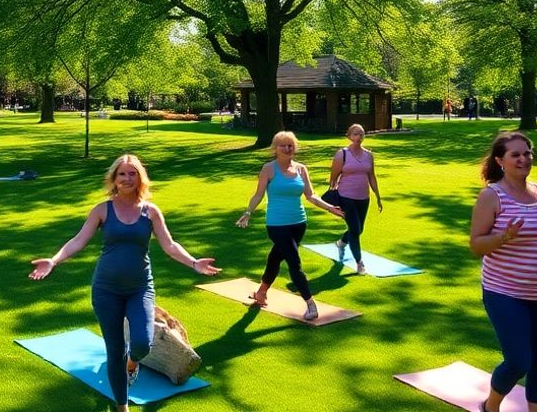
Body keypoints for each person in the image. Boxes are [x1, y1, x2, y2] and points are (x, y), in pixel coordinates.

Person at [30, 154, 220, 412]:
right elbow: (78, 240)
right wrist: (53, 260)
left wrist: (194, 262)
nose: (127, 178)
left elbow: (170, 245)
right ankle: (122, 406)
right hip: (106, 290)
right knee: (114, 349)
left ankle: (133, 362)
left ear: (140, 178)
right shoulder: (102, 210)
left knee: (142, 343)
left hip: (139, 288)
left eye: (133, 173)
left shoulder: (150, 212)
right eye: (122, 174)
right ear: (114, 179)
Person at [469, 132, 537, 412]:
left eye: (527, 153)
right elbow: (477, 245)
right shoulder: (492, 196)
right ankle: (490, 407)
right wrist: (503, 237)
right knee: (518, 361)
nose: (524, 159)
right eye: (516, 155)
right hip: (504, 291)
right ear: (500, 161)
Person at [236, 131, 346, 321]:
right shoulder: (269, 169)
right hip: (277, 224)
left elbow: (311, 195)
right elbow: (258, 194)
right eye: (283, 145)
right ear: (275, 148)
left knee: (276, 257)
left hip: (298, 223)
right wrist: (248, 213)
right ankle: (310, 303)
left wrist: (330, 208)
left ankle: (261, 292)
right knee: (294, 262)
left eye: (290, 146)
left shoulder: (301, 169)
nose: (287, 149)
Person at [328, 123, 384, 275]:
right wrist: (333, 201)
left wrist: (378, 196)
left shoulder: (368, 155)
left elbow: (372, 176)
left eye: (362, 134)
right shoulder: (342, 154)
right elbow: (333, 178)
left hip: (363, 197)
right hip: (346, 197)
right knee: (355, 229)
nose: (359, 137)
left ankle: (341, 243)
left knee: (359, 230)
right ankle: (359, 262)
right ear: (349, 136)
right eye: (356, 134)